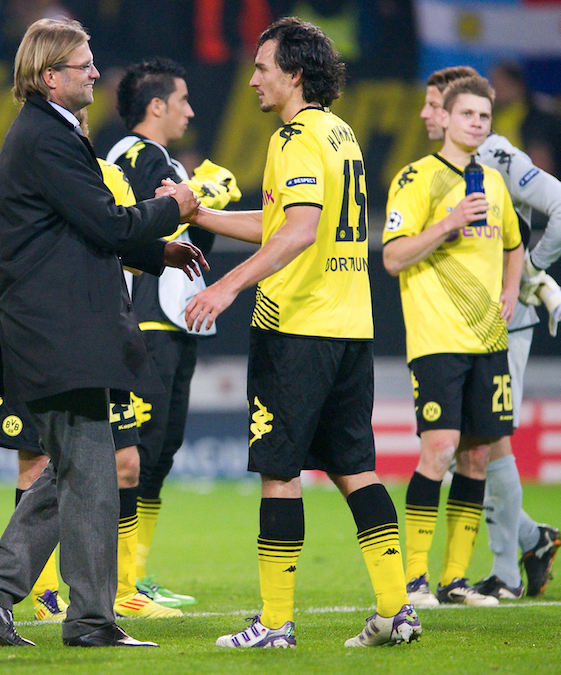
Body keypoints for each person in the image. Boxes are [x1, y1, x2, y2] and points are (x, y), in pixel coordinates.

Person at [0, 17, 200, 649]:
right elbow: (106, 224)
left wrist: (158, 255)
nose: (96, 72)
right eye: (83, 63)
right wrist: (180, 205)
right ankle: (90, 620)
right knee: (89, 473)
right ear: (48, 75)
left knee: (71, 469)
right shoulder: (46, 136)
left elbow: (80, 231)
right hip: (60, 331)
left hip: (58, 329)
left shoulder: (51, 133)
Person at [185, 17, 420, 648]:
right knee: (356, 468)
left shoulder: (292, 138)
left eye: (263, 67)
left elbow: (298, 230)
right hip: (349, 324)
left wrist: (226, 286)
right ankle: (397, 609)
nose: (254, 77)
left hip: (295, 326)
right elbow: (278, 222)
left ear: (294, 75)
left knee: (279, 471)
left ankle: (276, 623)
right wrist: (200, 213)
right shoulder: (339, 133)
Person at [0, 158, 188, 622]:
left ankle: (113, 593)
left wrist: (154, 252)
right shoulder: (23, 172)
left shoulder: (107, 177)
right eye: (81, 76)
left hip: (98, 342)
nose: (92, 79)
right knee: (42, 464)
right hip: (38, 337)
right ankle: (43, 594)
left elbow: (119, 241)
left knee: (121, 463)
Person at [419, 66, 561, 600]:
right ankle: (530, 540)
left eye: (435, 105)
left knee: (488, 438)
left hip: (508, 322)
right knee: (476, 442)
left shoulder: (499, 156)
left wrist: (531, 273)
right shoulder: (442, 169)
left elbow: (559, 206)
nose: (428, 114)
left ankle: (505, 569)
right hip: (468, 323)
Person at [384, 74, 525, 608]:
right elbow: (394, 257)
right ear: (443, 117)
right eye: (468, 115)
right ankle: (414, 579)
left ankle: (455, 580)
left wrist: (511, 290)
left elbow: (515, 243)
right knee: (439, 450)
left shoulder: (493, 182)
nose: (477, 124)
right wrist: (447, 223)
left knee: (476, 457)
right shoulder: (416, 179)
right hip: (437, 337)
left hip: (488, 339)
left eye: (484, 118)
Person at [106, 56, 241, 609]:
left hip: (176, 318)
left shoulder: (162, 159)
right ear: (156, 105)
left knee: (160, 447)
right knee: (135, 449)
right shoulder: (133, 155)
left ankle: (136, 575)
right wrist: (202, 192)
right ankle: (120, 585)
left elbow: (192, 244)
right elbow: (136, 225)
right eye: (182, 100)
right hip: (146, 318)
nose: (190, 109)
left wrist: (202, 199)